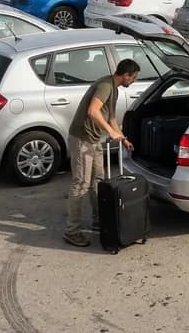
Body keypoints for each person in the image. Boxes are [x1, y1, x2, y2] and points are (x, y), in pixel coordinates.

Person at [64, 59, 141, 247]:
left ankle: (99, 220)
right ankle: (71, 231)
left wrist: (122, 138)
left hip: (94, 139)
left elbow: (112, 117)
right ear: (126, 75)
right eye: (134, 78)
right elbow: (93, 111)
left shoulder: (113, 88)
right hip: (82, 139)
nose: (134, 81)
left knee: (98, 180)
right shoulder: (106, 86)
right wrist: (110, 131)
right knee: (81, 184)